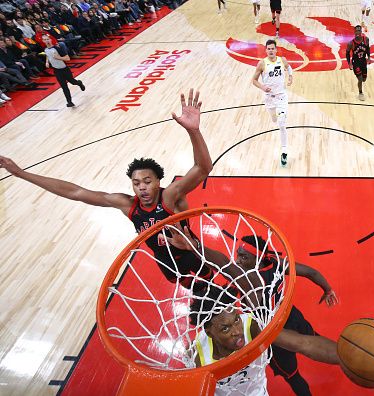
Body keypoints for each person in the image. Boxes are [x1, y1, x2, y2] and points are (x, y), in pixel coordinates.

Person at [0, 87, 215, 291]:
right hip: (163, 258)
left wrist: (194, 131)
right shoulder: (128, 204)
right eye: (136, 183)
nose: (142, 188)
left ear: (159, 181)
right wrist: (20, 173)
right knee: (185, 284)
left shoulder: (170, 196)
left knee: (208, 278)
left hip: (190, 248)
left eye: (147, 181)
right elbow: (76, 192)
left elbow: (202, 167)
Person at [169, 229, 338, 396]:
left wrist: (198, 247)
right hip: (291, 315)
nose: (238, 261)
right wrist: (328, 290)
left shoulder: (251, 281)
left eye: (244, 257)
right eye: (238, 255)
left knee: (293, 376)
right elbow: (311, 272)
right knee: (311, 339)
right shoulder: (276, 261)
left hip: (270, 330)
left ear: (258, 259)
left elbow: (225, 265)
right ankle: (344, 353)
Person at [193, 287, 340, 396]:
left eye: (237, 319)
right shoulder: (197, 353)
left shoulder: (252, 327)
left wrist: (344, 356)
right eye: (225, 329)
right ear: (209, 332)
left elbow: (303, 343)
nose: (237, 331)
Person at [251, 39, 293, 167]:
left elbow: (289, 68)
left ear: (276, 49)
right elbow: (254, 80)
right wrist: (262, 87)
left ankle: (284, 150)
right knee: (274, 119)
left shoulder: (282, 60)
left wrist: (290, 77)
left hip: (281, 97)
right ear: (266, 50)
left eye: (272, 48)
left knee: (281, 123)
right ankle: (275, 117)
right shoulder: (262, 64)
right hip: (269, 98)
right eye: (268, 49)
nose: (270, 50)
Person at [42, 34, 85, 107]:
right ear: (43, 41)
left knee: (72, 82)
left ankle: (79, 83)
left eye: (48, 39)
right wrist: (47, 62)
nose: (47, 41)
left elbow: (68, 58)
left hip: (65, 69)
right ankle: (69, 102)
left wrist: (58, 57)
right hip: (57, 71)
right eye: (45, 39)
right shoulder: (45, 50)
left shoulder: (58, 48)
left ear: (51, 39)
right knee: (64, 87)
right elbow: (48, 55)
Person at [346, 25, 370, 101]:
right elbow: (347, 53)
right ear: (354, 32)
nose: (357, 33)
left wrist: (369, 57)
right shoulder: (351, 43)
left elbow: (368, 48)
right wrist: (349, 63)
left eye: (359, 31)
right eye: (356, 31)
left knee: (364, 79)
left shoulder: (366, 39)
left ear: (361, 32)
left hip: (363, 61)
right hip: (355, 62)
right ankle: (360, 93)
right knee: (360, 79)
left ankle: (361, 87)